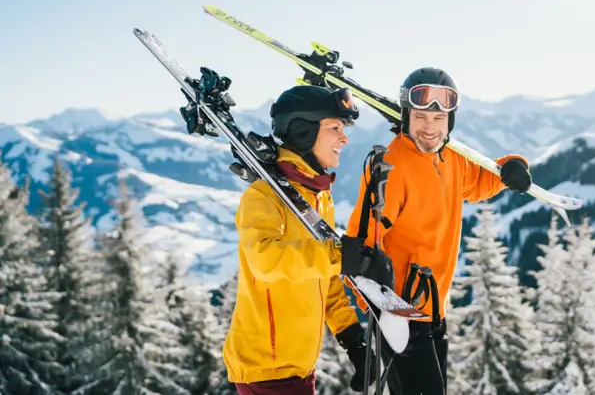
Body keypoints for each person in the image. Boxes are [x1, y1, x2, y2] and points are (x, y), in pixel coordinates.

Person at [345, 68, 533, 395]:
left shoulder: (452, 158)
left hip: (434, 311)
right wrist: (387, 313)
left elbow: (479, 182)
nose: (430, 127)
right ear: (406, 116)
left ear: (450, 121)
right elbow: (356, 252)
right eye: (420, 117)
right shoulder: (392, 166)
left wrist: (512, 167)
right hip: (400, 315)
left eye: (439, 118)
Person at [224, 85, 394, 395]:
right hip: (267, 368)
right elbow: (265, 260)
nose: (344, 138)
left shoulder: (317, 199)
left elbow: (324, 276)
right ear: (303, 131)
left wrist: (352, 339)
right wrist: (341, 256)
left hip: (298, 366)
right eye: (335, 127)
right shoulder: (263, 197)